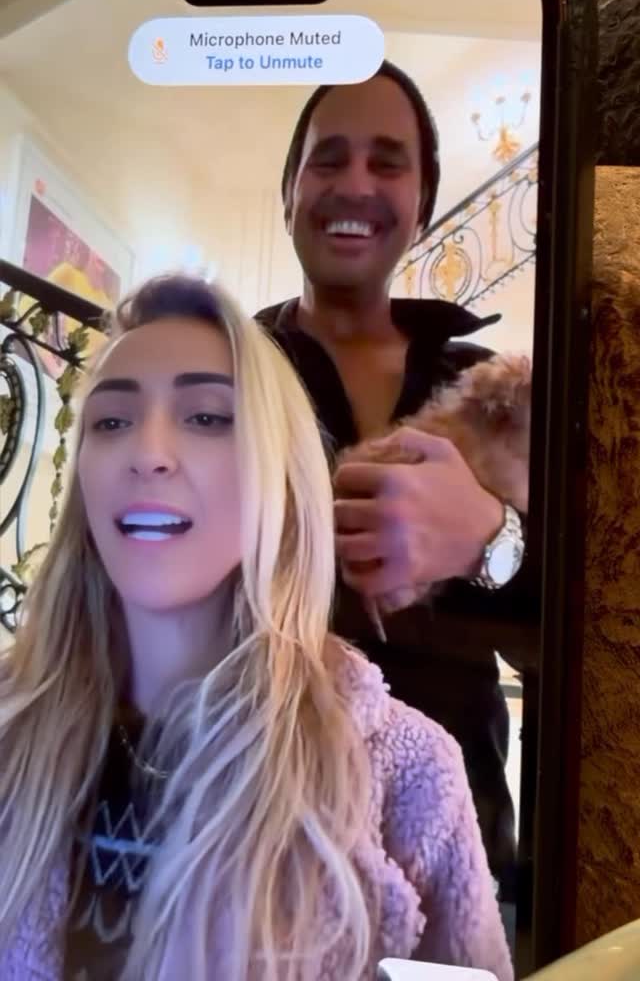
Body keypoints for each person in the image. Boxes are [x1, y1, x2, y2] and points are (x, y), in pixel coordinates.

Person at [0, 273, 512, 981]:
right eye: (111, 421)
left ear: (281, 474)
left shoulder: (409, 772)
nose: (147, 451)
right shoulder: (10, 731)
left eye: (207, 417)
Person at [256, 60, 534, 903]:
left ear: (424, 200)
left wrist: (491, 541)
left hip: (458, 850)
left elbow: (579, 634)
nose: (355, 184)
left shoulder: (501, 391)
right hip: (256, 840)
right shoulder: (222, 377)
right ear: (289, 191)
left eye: (387, 162)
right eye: (327, 159)